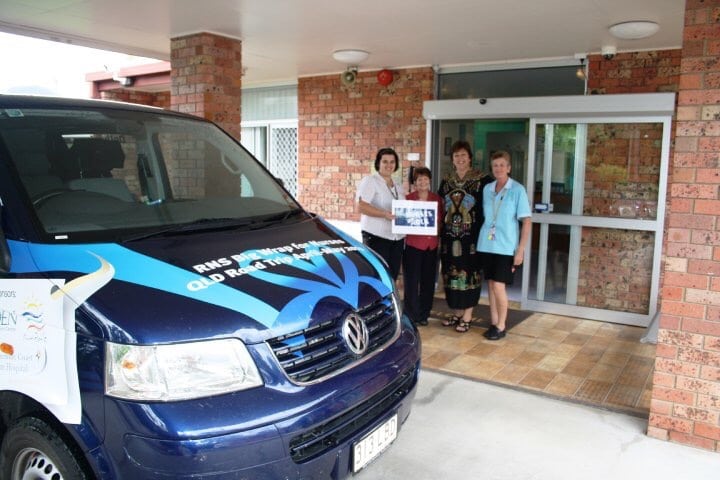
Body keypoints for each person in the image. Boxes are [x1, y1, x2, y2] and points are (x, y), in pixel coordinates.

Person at [477, 150, 532, 340]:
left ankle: (501, 325)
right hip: (487, 244)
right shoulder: (487, 189)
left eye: (502, 165)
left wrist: (521, 250)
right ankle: (494, 321)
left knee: (499, 286)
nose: (498, 168)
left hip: (506, 247)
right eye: (495, 165)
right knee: (491, 285)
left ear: (509, 167)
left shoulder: (518, 190)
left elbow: (526, 221)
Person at [438, 140, 492, 332]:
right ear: (452, 159)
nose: (460, 159)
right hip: (449, 236)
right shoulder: (447, 180)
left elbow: (489, 208)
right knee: (451, 274)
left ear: (470, 157)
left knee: (469, 274)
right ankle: (457, 313)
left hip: (471, 237)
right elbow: (439, 206)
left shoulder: (482, 179)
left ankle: (467, 315)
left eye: (463, 155)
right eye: (456, 156)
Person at [356, 147, 405, 280]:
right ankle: (376, 302)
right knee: (377, 276)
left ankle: (388, 301)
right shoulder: (370, 181)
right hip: (377, 237)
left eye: (392, 162)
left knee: (391, 276)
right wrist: (384, 214)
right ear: (378, 163)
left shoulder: (398, 185)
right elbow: (361, 206)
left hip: (396, 238)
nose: (389, 165)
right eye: (385, 162)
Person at [402, 167, 443, 326]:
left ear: (430, 181)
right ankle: (411, 314)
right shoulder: (408, 199)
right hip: (413, 245)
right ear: (414, 182)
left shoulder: (437, 199)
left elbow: (439, 222)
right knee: (411, 282)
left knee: (428, 282)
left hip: (431, 246)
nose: (423, 182)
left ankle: (424, 314)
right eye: (419, 179)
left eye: (425, 179)